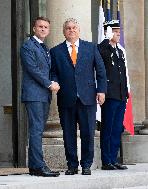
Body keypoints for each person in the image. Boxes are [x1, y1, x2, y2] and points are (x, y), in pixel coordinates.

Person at [50, 18, 107, 175]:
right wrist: (54, 81)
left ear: (78, 30)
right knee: (68, 133)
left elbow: (101, 71)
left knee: (88, 132)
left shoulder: (91, 48)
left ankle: (87, 164)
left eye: (74, 27)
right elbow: (53, 71)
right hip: (66, 98)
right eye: (68, 28)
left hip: (88, 97)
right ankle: (72, 165)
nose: (71, 30)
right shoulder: (55, 51)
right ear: (64, 32)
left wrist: (101, 91)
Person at [20, 16, 60, 177]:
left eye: (46, 27)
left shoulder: (45, 48)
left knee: (38, 129)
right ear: (34, 28)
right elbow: (32, 69)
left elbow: (49, 70)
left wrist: (54, 81)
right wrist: (49, 83)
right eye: (40, 26)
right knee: (36, 130)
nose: (43, 29)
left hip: (43, 95)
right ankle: (38, 166)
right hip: (34, 94)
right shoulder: (28, 46)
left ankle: (35, 166)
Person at [98, 20, 128, 170]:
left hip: (121, 95)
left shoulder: (120, 51)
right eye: (115, 31)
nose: (118, 34)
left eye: (118, 31)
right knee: (108, 128)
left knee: (117, 128)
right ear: (107, 32)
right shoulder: (103, 49)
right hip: (110, 95)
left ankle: (114, 158)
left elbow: (123, 74)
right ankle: (106, 160)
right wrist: (106, 40)